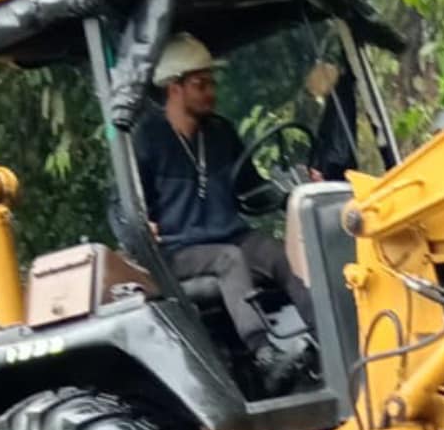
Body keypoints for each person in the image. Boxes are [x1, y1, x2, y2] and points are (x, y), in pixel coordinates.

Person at [130, 34, 317, 392]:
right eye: (201, 85)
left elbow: (252, 192)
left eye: (211, 83)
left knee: (277, 254)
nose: (210, 92)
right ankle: (264, 354)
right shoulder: (147, 138)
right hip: (176, 250)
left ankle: (325, 336)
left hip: (228, 234)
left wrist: (291, 187)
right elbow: (121, 209)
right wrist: (140, 225)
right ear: (174, 88)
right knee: (229, 260)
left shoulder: (221, 133)